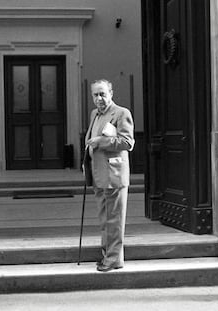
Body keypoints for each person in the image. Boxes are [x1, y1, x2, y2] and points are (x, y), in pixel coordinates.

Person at [84, 79, 135, 272]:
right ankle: (107, 255)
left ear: (111, 93)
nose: (99, 98)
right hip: (98, 175)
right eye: (95, 95)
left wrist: (101, 141)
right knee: (105, 219)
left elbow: (127, 142)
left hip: (113, 175)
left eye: (103, 94)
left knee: (114, 220)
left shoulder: (121, 113)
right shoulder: (94, 114)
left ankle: (113, 259)